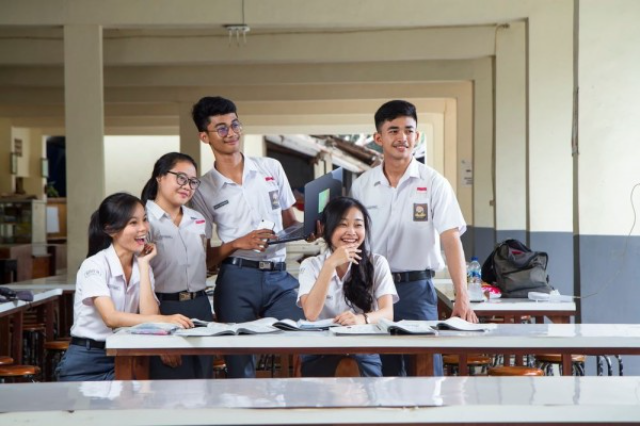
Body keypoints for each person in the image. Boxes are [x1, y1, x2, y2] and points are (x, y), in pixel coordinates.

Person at [350, 100, 478, 377]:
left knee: (425, 371)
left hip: (417, 289)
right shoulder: (362, 185)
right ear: (378, 138)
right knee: (383, 373)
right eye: (393, 130)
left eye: (409, 130)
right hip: (374, 289)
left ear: (416, 136)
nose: (402, 138)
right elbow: (352, 240)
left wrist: (462, 297)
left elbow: (451, 240)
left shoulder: (434, 183)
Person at [190, 96, 304, 378]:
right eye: (222, 128)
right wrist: (238, 243)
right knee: (240, 363)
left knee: (306, 339)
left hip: (280, 276)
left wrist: (312, 229)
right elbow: (204, 259)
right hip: (237, 278)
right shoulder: (202, 189)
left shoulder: (271, 168)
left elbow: (291, 223)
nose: (232, 133)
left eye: (235, 124)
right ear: (205, 137)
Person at [56, 193, 193, 382]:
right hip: (88, 360)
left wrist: (144, 266)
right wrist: (165, 319)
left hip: (126, 354)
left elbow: (149, 314)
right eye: (133, 223)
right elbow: (111, 318)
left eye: (145, 220)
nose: (144, 228)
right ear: (111, 230)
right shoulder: (94, 265)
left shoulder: (142, 265)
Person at [297, 196, 397, 377]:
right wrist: (330, 265)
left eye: (358, 225)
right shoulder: (310, 265)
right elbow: (311, 313)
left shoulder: (377, 262)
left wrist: (361, 319)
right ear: (326, 229)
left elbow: (388, 313)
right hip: (320, 350)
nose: (351, 231)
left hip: (363, 349)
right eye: (342, 224)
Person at [141, 152, 213, 380]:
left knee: (203, 381)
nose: (187, 186)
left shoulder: (198, 220)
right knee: (170, 385)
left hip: (200, 306)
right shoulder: (143, 220)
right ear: (160, 177)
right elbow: (136, 280)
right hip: (164, 308)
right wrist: (158, 334)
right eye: (181, 178)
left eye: (192, 181)